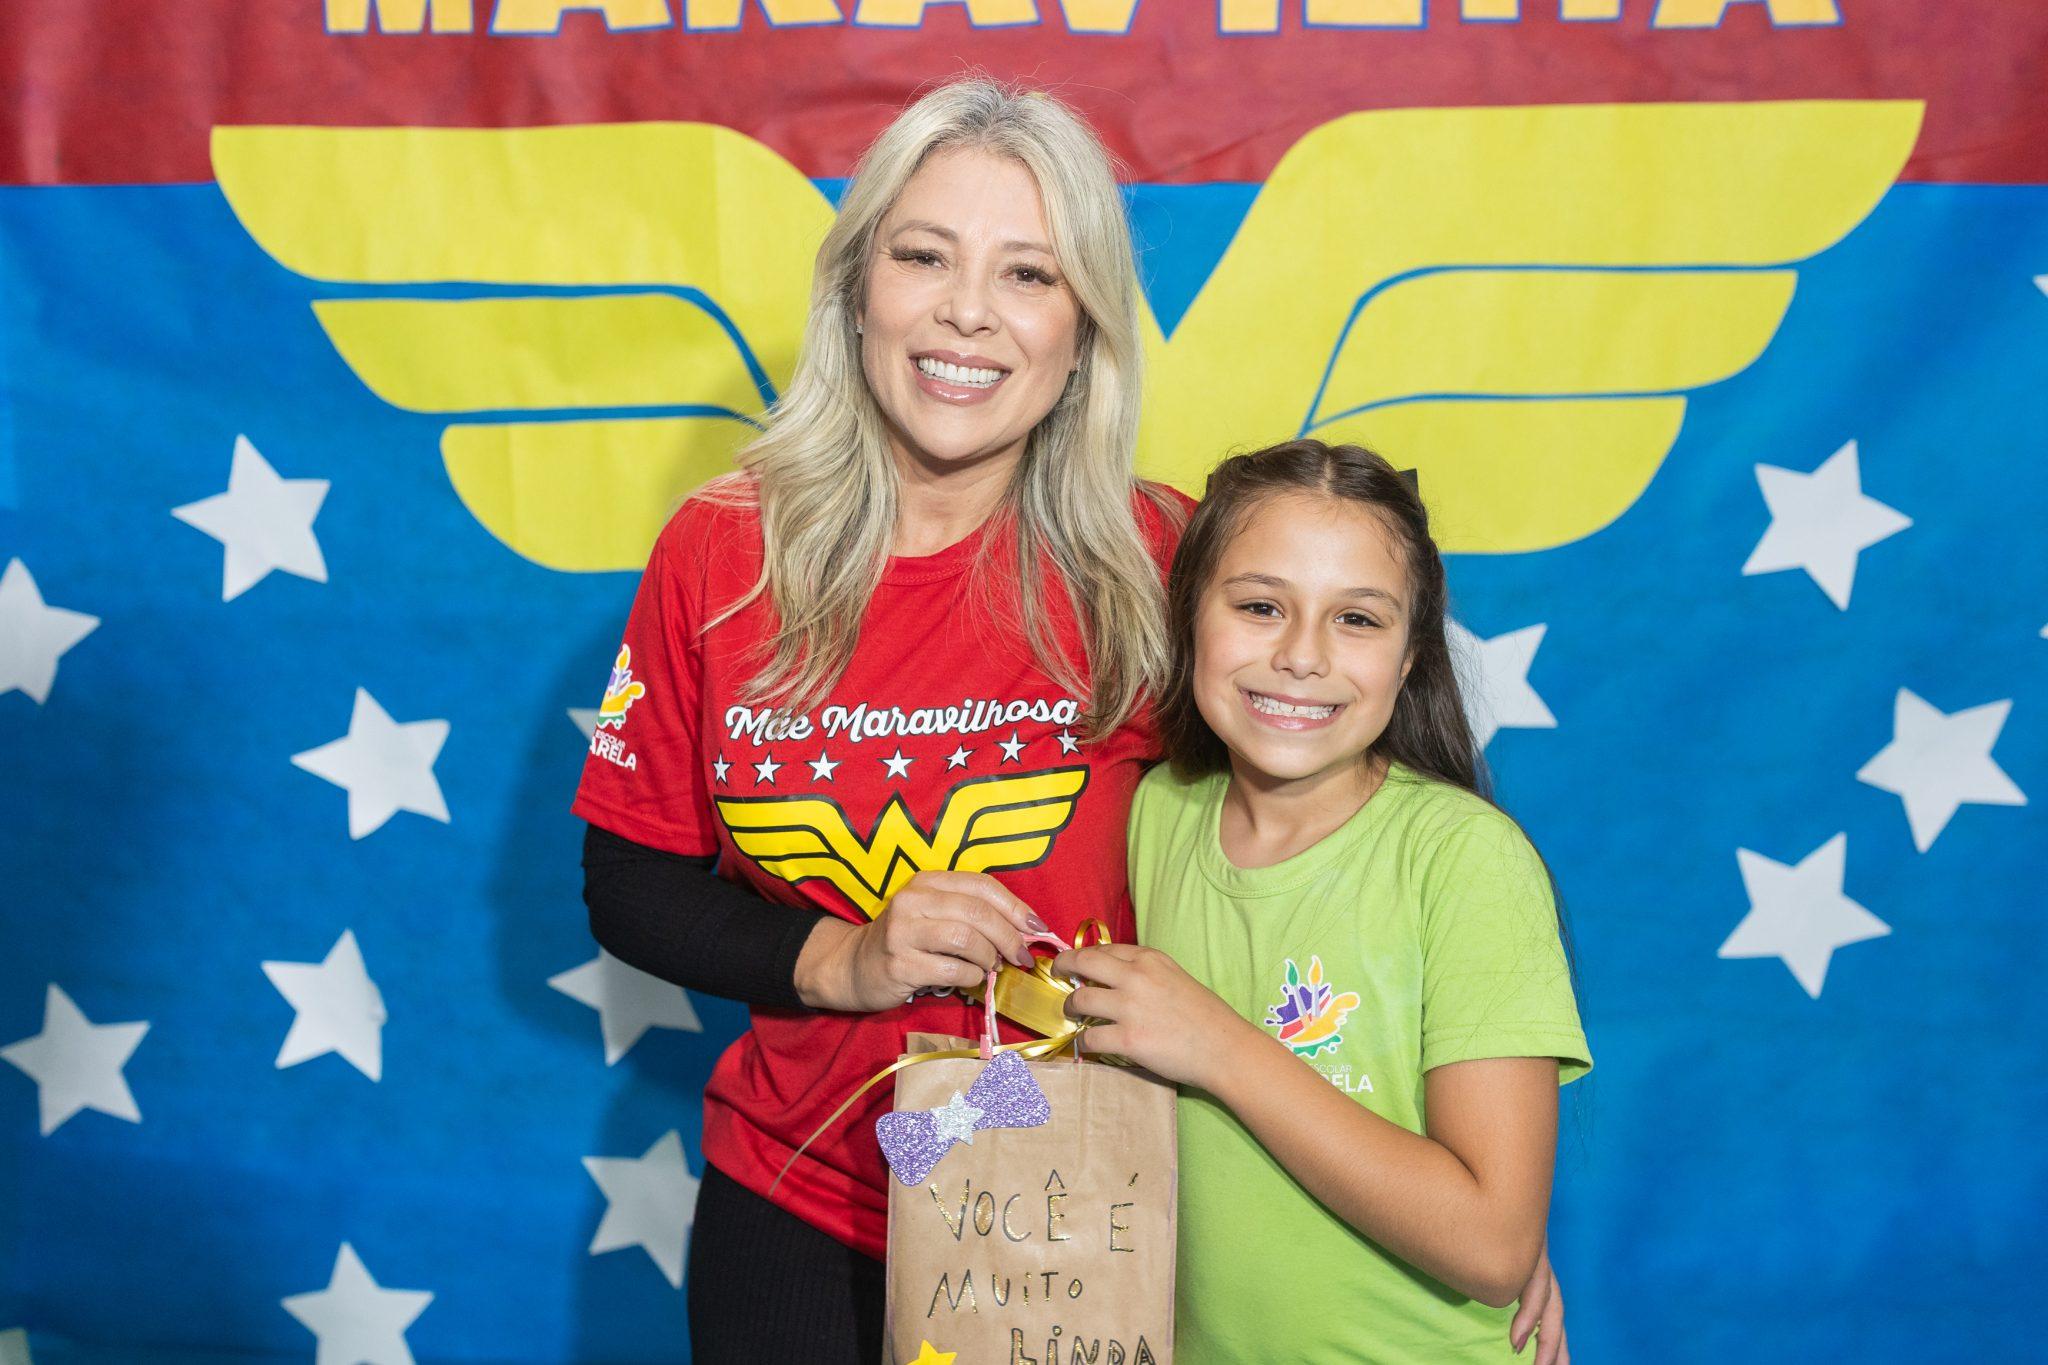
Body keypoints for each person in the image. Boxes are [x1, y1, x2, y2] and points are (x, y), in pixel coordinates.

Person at [571, 79, 1189, 1363]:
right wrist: (846, 960)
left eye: (1028, 273)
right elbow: (631, 885)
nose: (967, 309)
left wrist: (1454, 1189)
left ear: (1082, 332)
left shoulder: (1162, 561)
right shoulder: (718, 553)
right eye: (923, 256)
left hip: (1084, 1198)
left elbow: (1349, 855)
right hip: (796, 1192)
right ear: (856, 289)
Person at [1054, 439, 1591, 1365]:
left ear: (1412, 655)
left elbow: (1493, 1246)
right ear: (1188, 617)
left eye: (1357, 618)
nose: (1301, 656)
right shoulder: (1150, 814)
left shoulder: (1465, 859)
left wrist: (1219, 1046)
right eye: (1260, 606)